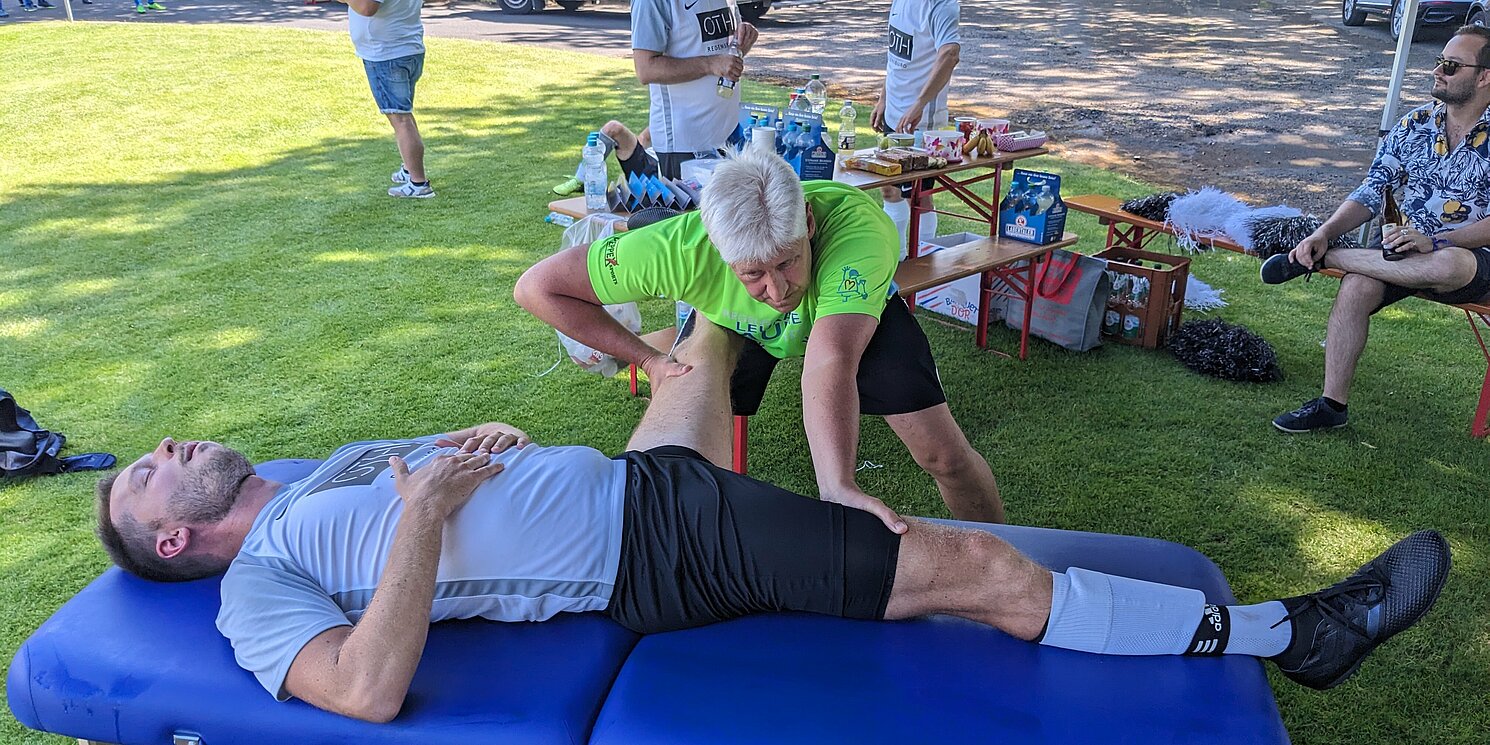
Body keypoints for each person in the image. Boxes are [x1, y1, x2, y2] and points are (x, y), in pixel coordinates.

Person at [92, 317, 1451, 724]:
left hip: (639, 489)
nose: (163, 449)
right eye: (147, 474)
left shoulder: (321, 466)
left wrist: (470, 449)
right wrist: (429, 517)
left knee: (713, 323)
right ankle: (1289, 634)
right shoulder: (251, 587)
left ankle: (830, 331)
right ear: (170, 539)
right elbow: (367, 687)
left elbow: (445, 469)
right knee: (966, 567)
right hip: (655, 551)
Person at [516, 148, 1005, 530]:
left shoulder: (859, 229)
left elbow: (830, 357)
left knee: (944, 457)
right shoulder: (675, 249)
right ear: (715, 248)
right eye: (753, 273)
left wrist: (836, 486)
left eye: (787, 261)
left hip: (846, 318)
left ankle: (1002, 548)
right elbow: (537, 287)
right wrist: (646, 360)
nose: (776, 290)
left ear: (808, 224)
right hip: (729, 322)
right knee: (689, 421)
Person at [1260, 25, 1490, 433]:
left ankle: (1329, 259)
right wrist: (1325, 232)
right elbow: (1371, 190)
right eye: (1439, 62)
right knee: (1357, 286)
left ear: (1485, 76)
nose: (1438, 71)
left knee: (1450, 264)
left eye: (1451, 66)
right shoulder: (1416, 123)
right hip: (1406, 255)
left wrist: (1436, 240)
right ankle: (1332, 406)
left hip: (1468, 258)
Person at [630, 0, 757, 180]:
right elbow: (646, 69)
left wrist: (741, 42)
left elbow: (719, 49)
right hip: (685, 148)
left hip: (729, 138)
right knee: (693, 210)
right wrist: (710, 64)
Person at [872, 0, 961, 255]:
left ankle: (924, 260)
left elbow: (950, 54)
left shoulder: (941, 5)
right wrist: (883, 99)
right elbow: (897, 58)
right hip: (894, 117)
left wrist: (920, 104)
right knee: (890, 190)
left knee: (919, 197)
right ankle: (897, 258)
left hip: (922, 124)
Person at [337, 0, 433, 198]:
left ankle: (418, 183)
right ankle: (409, 168)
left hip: (386, 54)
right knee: (403, 115)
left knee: (400, 119)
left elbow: (367, 7)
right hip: (408, 48)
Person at [552, 122, 658, 197]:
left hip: (666, 173)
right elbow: (644, 138)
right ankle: (581, 179)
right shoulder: (664, 114)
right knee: (613, 128)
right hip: (649, 166)